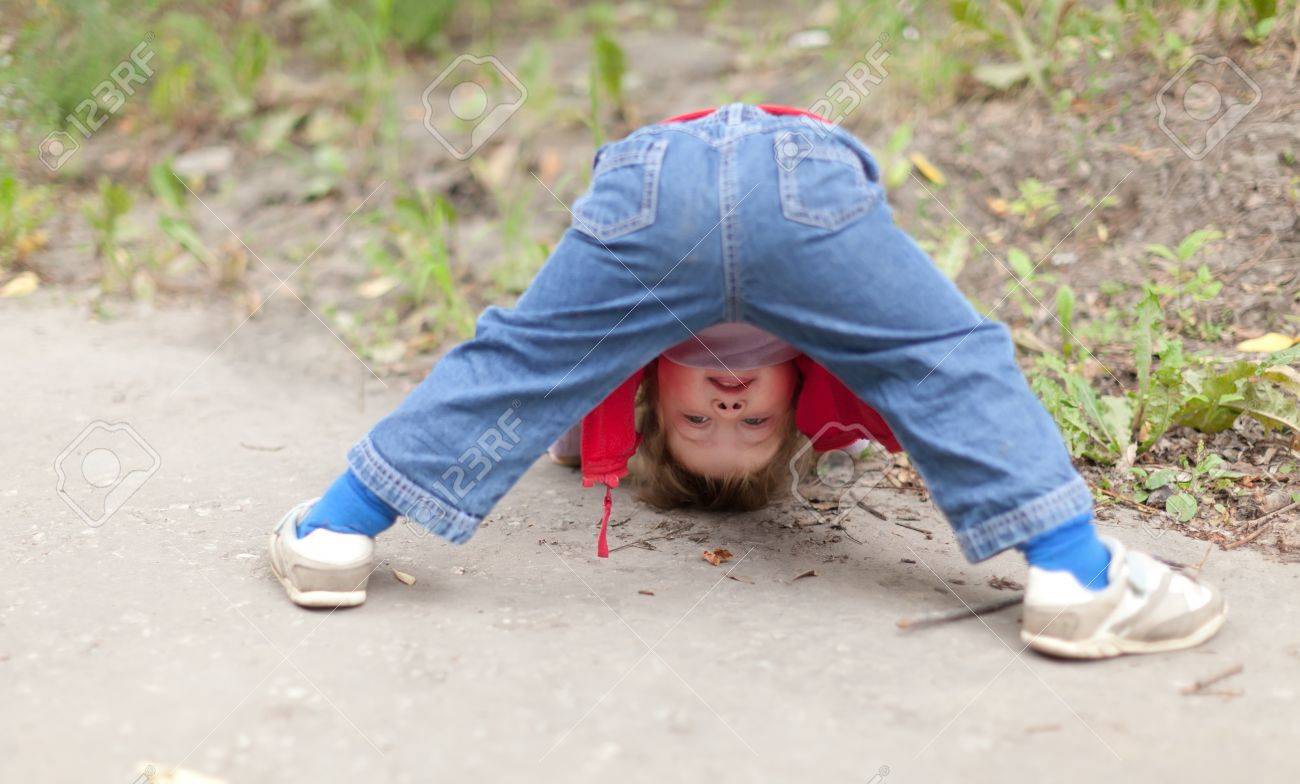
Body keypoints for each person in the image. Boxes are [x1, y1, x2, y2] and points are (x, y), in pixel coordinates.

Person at [268, 104, 1225, 659]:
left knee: (523, 355)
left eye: (699, 418)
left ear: (645, 397)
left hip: (654, 179)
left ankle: (333, 531)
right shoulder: (822, 346)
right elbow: (925, 378)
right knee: (945, 354)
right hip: (800, 177)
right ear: (799, 403)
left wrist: (573, 446)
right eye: (748, 421)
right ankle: (1074, 571)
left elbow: (542, 387)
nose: (727, 403)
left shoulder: (622, 363)